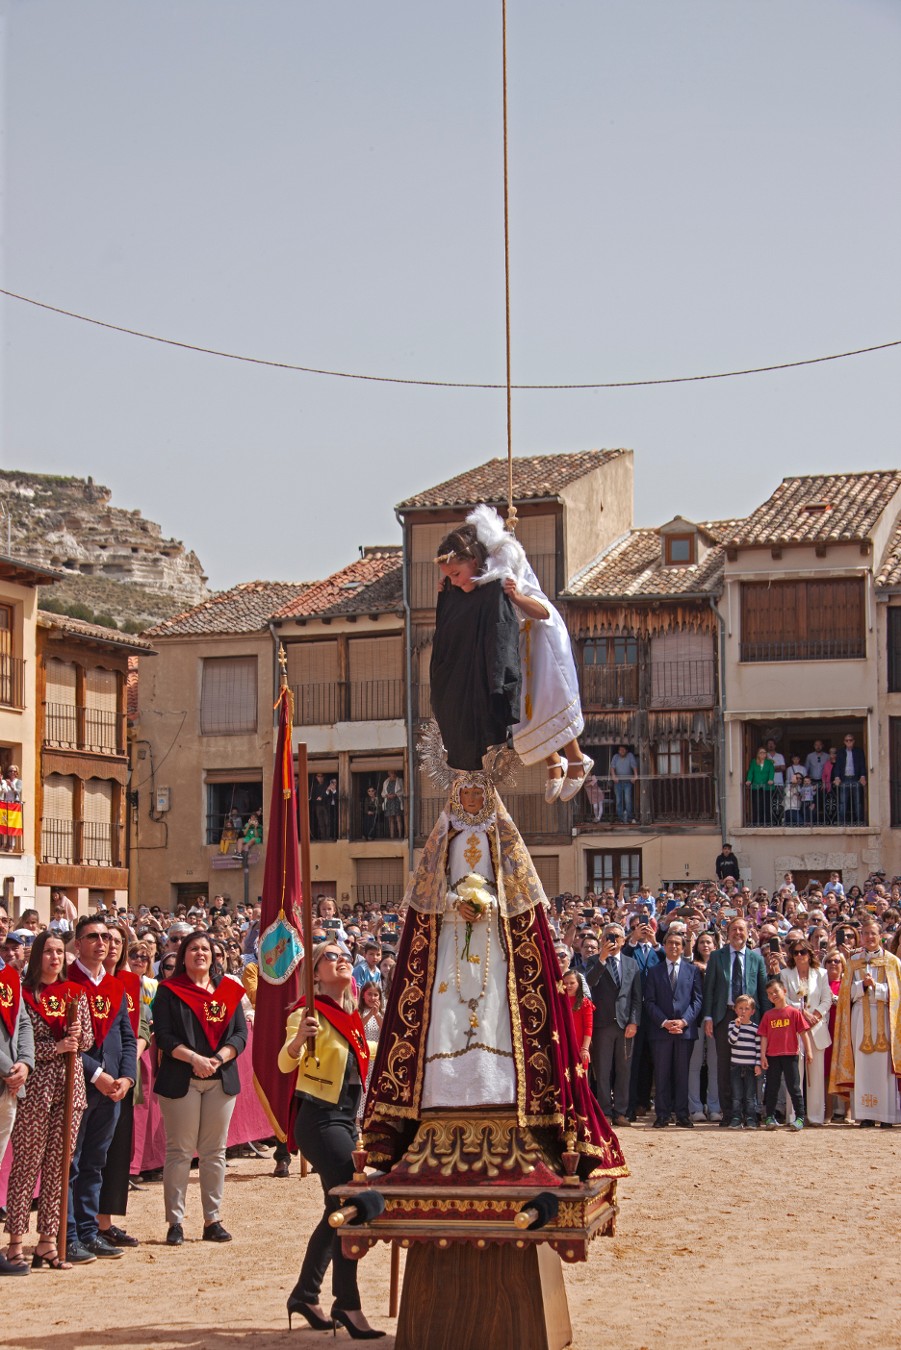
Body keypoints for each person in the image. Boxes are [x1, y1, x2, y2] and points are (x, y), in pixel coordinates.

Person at [363, 751, 626, 1181]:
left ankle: (497, 1087)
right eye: (464, 792)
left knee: (497, 1008)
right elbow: (429, 888)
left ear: (487, 795)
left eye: (477, 792)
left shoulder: (500, 833)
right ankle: (444, 1093)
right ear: (455, 794)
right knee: (445, 1009)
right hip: (451, 935)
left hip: (495, 934)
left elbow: (518, 890)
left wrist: (490, 903)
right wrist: (455, 902)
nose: (470, 798)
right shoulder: (445, 834)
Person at [279, 941, 384, 1339]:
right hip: (320, 1119)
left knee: (336, 1209)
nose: (341, 960)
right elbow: (284, 1062)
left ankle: (305, 1295)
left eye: (345, 956)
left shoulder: (352, 1018)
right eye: (330, 955)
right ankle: (347, 1302)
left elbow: (371, 1052)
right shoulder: (308, 1012)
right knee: (353, 1202)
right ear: (316, 973)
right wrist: (297, 1040)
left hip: (345, 1120)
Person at [459, 504, 592, 802]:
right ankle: (554, 762)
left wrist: (517, 596)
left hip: (542, 642)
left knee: (549, 700)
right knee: (524, 713)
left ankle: (576, 759)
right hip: (517, 646)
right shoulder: (484, 582)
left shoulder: (513, 577)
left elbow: (543, 611)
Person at [152, 930, 248, 1244]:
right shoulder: (169, 991)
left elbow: (240, 1035)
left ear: (213, 955)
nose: (200, 953)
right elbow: (164, 1036)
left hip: (221, 1078)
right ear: (184, 956)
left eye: (205, 948)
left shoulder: (229, 990)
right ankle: (175, 1223)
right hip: (182, 1079)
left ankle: (213, 1220)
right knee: (179, 1151)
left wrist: (217, 1060)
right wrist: (194, 1058)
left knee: (214, 1152)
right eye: (193, 948)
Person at [5, 932, 90, 1271]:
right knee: (27, 1165)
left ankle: (48, 1242)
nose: (55, 957)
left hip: (70, 1087)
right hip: (35, 1088)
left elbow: (87, 1038)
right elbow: (19, 1043)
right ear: (37, 955)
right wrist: (54, 1048)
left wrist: (77, 1037)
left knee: (59, 1167)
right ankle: (14, 1241)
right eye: (48, 952)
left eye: (59, 952)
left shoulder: (75, 993)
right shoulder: (23, 994)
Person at [66, 915, 138, 1264]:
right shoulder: (66, 982)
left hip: (112, 1090)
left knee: (95, 1163)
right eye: (92, 937)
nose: (101, 943)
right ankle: (68, 1235)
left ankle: (89, 1231)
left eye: (105, 938)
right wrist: (97, 1075)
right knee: (71, 1163)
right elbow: (61, 1039)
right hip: (76, 1086)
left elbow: (127, 1036)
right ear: (78, 944)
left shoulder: (114, 986)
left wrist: (127, 1077)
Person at [429, 524, 522, 772]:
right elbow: (443, 641)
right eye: (449, 577)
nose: (454, 581)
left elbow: (502, 641)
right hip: (456, 687)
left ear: (474, 561)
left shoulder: (495, 590)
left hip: (483, 685)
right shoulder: (452, 595)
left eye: (456, 574)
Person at [96, 925, 150, 1247]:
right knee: (91, 1154)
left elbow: (142, 1026)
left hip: (124, 1076)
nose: (112, 945)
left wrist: (129, 1067)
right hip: (95, 1075)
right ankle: (84, 1222)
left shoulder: (131, 982)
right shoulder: (86, 981)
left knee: (117, 1153)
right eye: (107, 939)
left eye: (118, 941)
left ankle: (105, 1222)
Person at [829, 917, 901, 1127]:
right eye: (866, 933)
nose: (869, 937)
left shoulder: (893, 962)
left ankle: (886, 1116)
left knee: (884, 1065)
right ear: (861, 936)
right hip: (860, 1016)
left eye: (873, 933)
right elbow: (846, 994)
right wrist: (862, 985)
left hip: (885, 1016)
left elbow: (897, 994)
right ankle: (866, 1115)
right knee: (862, 1063)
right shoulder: (853, 961)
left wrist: (877, 986)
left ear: (880, 936)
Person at [701, 918, 768, 1127]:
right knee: (725, 1066)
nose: (738, 933)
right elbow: (709, 989)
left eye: (741, 929)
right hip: (725, 1016)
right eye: (734, 929)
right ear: (727, 932)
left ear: (748, 932)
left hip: (751, 1019)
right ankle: (729, 1113)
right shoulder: (717, 956)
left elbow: (762, 991)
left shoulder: (757, 959)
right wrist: (708, 1017)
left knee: (751, 1065)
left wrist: (765, 1021)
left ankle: (751, 1112)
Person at [0, 920, 35, 1275]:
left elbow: (23, 1022)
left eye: (3, 922)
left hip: (10, 1085)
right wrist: (9, 1067)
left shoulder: (9, 976)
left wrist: (25, 1062)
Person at [642, 930, 703, 1128]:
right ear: (664, 945)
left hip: (685, 1031)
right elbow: (649, 1001)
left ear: (683, 947)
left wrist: (684, 1021)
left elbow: (697, 1000)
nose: (674, 946)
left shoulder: (692, 970)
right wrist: (664, 1022)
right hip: (661, 1031)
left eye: (678, 943)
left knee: (682, 1074)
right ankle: (663, 1115)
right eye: (670, 943)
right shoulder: (654, 971)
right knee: (662, 1074)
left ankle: (682, 1115)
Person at [586, 924, 642, 1128]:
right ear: (602, 940)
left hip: (625, 1024)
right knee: (602, 1070)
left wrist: (634, 1021)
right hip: (602, 1024)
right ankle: (604, 1112)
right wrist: (602, 959)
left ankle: (620, 1112)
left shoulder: (631, 963)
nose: (613, 940)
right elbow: (589, 983)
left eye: (617, 936)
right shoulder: (594, 961)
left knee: (624, 1070)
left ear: (624, 940)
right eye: (609, 936)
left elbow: (636, 996)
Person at [780, 940, 832, 1125]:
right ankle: (793, 1115)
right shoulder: (785, 974)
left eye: (803, 952)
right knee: (795, 1074)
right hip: (795, 1028)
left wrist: (815, 1016)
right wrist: (802, 1013)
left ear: (810, 953)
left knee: (816, 1075)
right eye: (795, 952)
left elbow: (827, 999)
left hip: (816, 1027)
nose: (799, 955)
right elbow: (784, 999)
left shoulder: (821, 973)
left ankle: (816, 1116)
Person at [760, 977, 813, 1131]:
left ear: (784, 991)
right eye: (770, 993)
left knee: (794, 1087)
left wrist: (809, 1051)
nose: (773, 995)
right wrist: (763, 1055)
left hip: (790, 1055)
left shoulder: (794, 1013)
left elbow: (803, 1033)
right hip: (772, 1056)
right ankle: (770, 1117)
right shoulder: (768, 1015)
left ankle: (800, 1117)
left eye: (775, 991)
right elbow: (764, 1036)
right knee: (772, 1087)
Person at [688, 930, 721, 1122]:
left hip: (717, 1020)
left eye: (709, 942)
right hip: (696, 1020)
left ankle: (715, 1107)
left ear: (715, 946)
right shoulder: (691, 966)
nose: (705, 945)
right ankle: (695, 1108)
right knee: (694, 1065)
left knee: (715, 1066)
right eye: (702, 942)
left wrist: (708, 970)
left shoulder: (721, 965)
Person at [726, 995, 761, 1128]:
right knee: (736, 1095)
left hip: (750, 1066)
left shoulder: (755, 1028)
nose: (743, 1011)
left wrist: (757, 1064)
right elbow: (732, 1040)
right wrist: (737, 1026)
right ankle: (736, 1118)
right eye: (740, 1008)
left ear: (752, 1011)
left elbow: (758, 1048)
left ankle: (751, 1118)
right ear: (735, 1010)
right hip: (736, 1065)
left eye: (747, 1009)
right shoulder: (732, 1025)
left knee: (750, 1095)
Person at [562, 969, 593, 1076]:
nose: (568, 986)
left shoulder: (585, 1003)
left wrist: (585, 1049)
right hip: (563, 1046)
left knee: (581, 1080)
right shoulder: (558, 1003)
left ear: (579, 984)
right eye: (566, 983)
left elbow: (588, 1027)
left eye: (572, 983)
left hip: (580, 1047)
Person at [610, 745, 639, 825]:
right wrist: (613, 776)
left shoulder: (630, 756)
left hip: (627, 782)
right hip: (618, 782)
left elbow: (634, 766)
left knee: (628, 800)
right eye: (620, 750)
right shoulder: (615, 757)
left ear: (626, 750)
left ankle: (629, 818)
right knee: (619, 801)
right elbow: (612, 767)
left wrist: (635, 775)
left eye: (623, 750)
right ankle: (620, 818)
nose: (621, 751)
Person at [745, 747, 774, 825]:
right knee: (757, 804)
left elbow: (771, 771)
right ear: (758, 754)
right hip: (756, 786)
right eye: (761, 752)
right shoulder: (754, 762)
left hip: (766, 786)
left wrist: (770, 779)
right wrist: (749, 780)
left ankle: (767, 822)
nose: (763, 754)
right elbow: (751, 771)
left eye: (764, 753)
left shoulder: (769, 762)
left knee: (766, 804)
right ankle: (756, 822)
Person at [381, 771, 404, 839]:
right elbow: (382, 793)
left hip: (396, 801)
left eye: (393, 772)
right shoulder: (386, 782)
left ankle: (400, 835)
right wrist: (387, 795)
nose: (392, 774)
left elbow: (403, 791)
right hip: (389, 802)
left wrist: (395, 795)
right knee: (390, 820)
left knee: (398, 819)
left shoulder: (400, 780)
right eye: (390, 773)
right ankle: (392, 836)